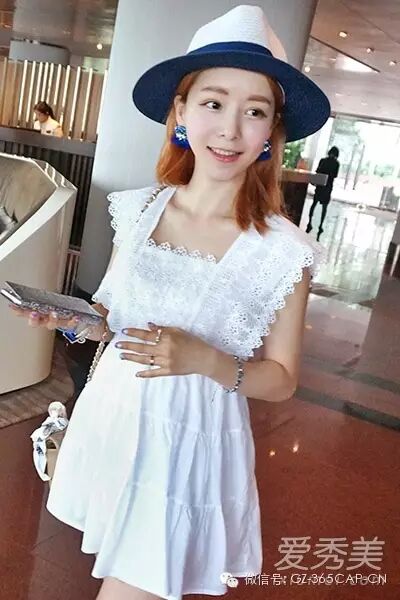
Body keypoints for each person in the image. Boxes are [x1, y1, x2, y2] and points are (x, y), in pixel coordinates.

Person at [11, 6, 330, 600]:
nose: (230, 129)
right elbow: (115, 324)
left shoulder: (283, 252)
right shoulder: (139, 210)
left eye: (254, 111)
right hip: (114, 420)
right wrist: (69, 320)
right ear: (181, 112)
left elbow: (283, 379)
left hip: (187, 443)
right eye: (213, 103)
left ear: (271, 131)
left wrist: (205, 359)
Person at [306, 146, 340, 241]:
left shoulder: (323, 160)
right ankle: (320, 225)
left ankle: (309, 222)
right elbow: (335, 175)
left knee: (314, 204)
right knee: (324, 207)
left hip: (320, 185)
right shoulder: (336, 163)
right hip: (328, 187)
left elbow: (318, 171)